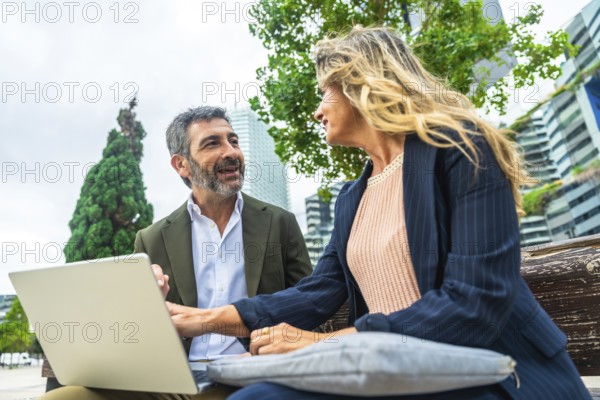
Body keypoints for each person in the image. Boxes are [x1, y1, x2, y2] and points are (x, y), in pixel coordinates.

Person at [161, 27, 592, 399]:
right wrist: (203, 320)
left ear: (360, 84)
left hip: (492, 376)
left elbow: (475, 303)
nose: (317, 111)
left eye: (323, 94)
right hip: (393, 376)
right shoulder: (354, 196)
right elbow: (319, 291)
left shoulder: (461, 150)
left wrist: (324, 344)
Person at [39, 106, 312, 400]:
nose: (231, 151)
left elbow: (311, 303)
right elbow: (136, 328)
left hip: (253, 373)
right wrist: (144, 299)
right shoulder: (152, 238)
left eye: (233, 141)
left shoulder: (279, 222)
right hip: (174, 380)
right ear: (182, 164)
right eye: (213, 143)